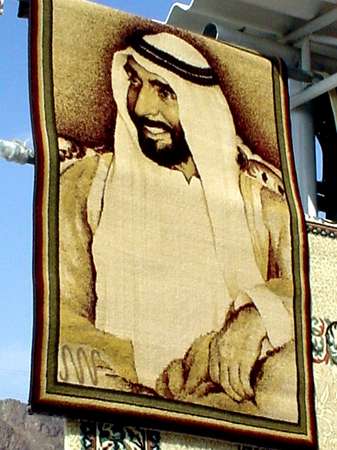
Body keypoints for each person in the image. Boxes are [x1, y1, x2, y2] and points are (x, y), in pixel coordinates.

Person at [58, 31, 296, 417]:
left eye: (164, 91)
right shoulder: (87, 187)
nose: (144, 107)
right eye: (135, 82)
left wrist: (257, 315)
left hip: (232, 415)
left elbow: (310, 296)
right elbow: (62, 313)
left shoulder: (261, 208)